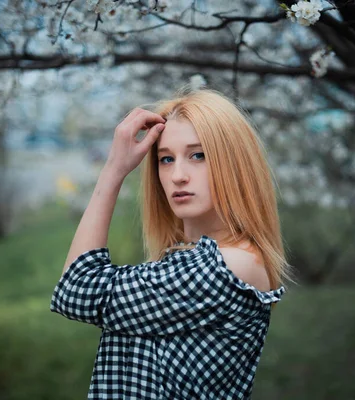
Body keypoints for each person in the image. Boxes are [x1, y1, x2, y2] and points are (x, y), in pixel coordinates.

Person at [50, 89, 294, 399]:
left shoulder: (226, 268)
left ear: (234, 164)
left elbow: (78, 290)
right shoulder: (187, 258)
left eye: (198, 155)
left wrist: (113, 170)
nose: (177, 175)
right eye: (166, 159)